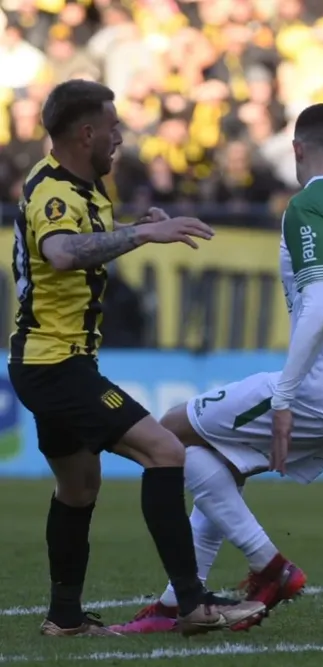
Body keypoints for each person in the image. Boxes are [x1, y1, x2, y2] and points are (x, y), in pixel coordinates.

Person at [109, 102, 323, 634]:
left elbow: (321, 306)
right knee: (222, 462)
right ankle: (178, 603)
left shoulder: (310, 204)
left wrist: (286, 395)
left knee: (170, 434)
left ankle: (270, 568)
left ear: (296, 151)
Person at [6, 79, 267, 637]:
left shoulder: (85, 186)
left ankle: (65, 618)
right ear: (86, 132)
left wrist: (137, 227)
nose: (120, 136)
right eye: (113, 126)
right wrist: (141, 236)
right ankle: (194, 605)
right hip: (56, 364)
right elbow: (59, 252)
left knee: (78, 488)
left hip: (52, 361)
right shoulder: (55, 190)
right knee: (164, 450)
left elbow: (88, 239)